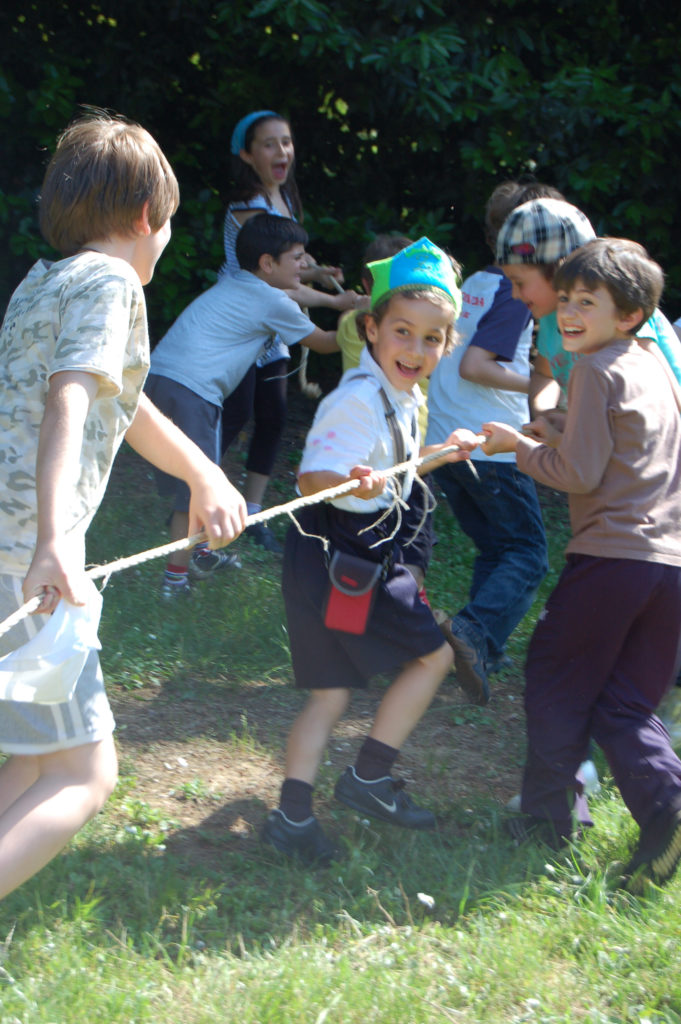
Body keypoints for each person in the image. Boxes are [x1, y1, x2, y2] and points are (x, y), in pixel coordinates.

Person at [0, 110, 247, 899]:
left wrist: (204, 473)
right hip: (26, 556)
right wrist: (54, 541)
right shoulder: (110, 283)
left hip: (9, 548)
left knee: (36, 761)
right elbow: (72, 396)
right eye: (168, 224)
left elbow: (123, 402)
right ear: (147, 218)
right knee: (84, 774)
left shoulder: (44, 283)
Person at [261, 238, 479, 864]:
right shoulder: (356, 398)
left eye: (431, 339)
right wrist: (347, 480)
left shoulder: (400, 396)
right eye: (403, 333)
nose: (415, 349)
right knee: (434, 658)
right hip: (347, 561)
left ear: (447, 343)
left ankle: (292, 819)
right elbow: (309, 481)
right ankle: (368, 779)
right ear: (373, 329)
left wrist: (443, 451)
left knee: (329, 693)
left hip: (331, 562)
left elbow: (399, 465)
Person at [482, 238, 681, 889]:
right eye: (563, 298)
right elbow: (620, 443)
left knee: (554, 678)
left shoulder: (595, 366)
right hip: (668, 568)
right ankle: (666, 807)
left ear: (627, 314)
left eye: (585, 302)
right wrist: (558, 425)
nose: (566, 312)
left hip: (609, 560)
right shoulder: (653, 362)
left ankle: (545, 819)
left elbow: (579, 473)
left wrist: (519, 446)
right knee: (622, 702)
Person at [146, 214, 339, 598]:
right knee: (195, 489)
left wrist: (341, 299)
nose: (305, 265)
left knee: (194, 481)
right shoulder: (271, 300)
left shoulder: (241, 281)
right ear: (268, 264)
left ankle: (199, 551)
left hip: (160, 380)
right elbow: (325, 343)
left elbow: (300, 292)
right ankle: (174, 584)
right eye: (298, 258)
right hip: (194, 392)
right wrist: (373, 324)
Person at [427, 181, 550, 703]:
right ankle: (474, 630)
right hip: (490, 441)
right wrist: (543, 385)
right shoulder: (516, 290)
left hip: (445, 440)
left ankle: (479, 652)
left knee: (496, 549)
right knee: (528, 553)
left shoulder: (475, 280)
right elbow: (479, 364)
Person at [219, 110, 359, 553]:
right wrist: (336, 301)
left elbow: (288, 265)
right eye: (269, 144)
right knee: (237, 414)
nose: (282, 151)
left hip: (273, 327)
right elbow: (271, 275)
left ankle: (253, 512)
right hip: (243, 325)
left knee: (274, 417)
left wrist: (316, 271)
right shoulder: (247, 210)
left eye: (286, 141)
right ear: (247, 154)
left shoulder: (285, 201)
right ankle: (197, 497)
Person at [495, 197, 681, 421]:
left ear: (558, 271)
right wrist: (547, 415)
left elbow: (670, 397)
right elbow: (545, 375)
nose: (515, 294)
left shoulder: (619, 313)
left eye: (519, 282)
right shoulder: (553, 318)